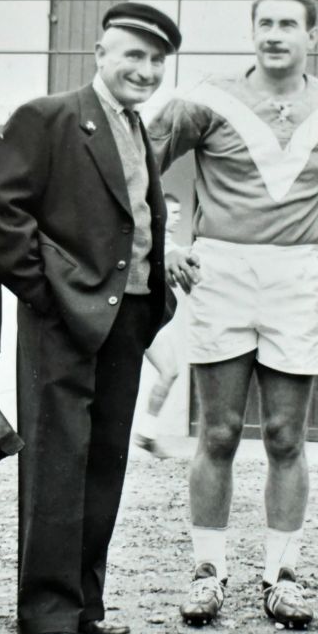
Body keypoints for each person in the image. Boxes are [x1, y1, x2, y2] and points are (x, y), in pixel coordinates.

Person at [148, 0, 318, 630]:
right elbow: (139, 162)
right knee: (216, 432)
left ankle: (283, 576)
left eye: (288, 25)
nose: (275, 34)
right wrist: (169, 240)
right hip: (220, 268)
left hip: (294, 277)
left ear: (312, 36)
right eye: (265, 23)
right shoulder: (207, 97)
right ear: (252, 31)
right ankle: (207, 572)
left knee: (285, 434)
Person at [0, 2, 181, 634]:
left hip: (129, 318)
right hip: (64, 321)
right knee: (57, 466)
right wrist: (50, 294)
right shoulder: (50, 117)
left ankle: (86, 603)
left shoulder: (137, 128)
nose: (144, 70)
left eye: (156, 61)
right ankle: (46, 614)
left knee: (104, 464)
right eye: (132, 56)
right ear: (100, 54)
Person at [132, 192, 184, 459]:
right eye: (173, 213)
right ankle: (145, 434)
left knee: (170, 371)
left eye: (179, 214)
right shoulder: (153, 240)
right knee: (169, 370)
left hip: (152, 320)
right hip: (139, 318)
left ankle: (147, 433)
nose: (177, 219)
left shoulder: (167, 242)